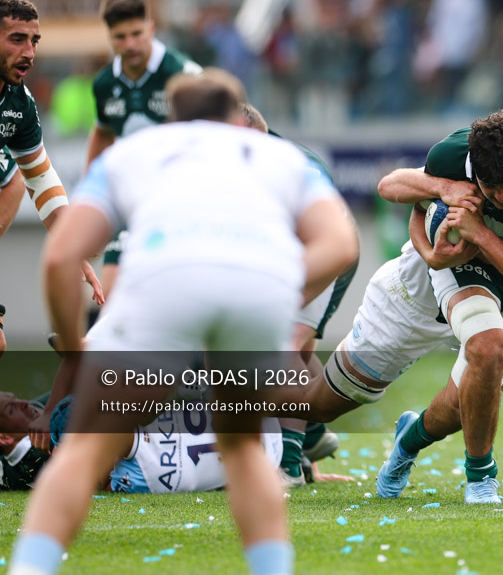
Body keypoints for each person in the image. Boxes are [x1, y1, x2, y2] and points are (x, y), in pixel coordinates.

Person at [7, 69, 359, 575]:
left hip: (161, 282)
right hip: (254, 288)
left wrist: (73, 344)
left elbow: (61, 257)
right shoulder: (281, 157)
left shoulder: (134, 153)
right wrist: (277, 287)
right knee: (242, 448)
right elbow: (343, 244)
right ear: (238, 117)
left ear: (171, 116)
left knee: (86, 451)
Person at [278, 127, 503, 502]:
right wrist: (435, 226)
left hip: (499, 296)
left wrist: (481, 236)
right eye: (489, 185)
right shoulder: (458, 158)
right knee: (324, 403)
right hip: (415, 297)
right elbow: (402, 194)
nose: (499, 196)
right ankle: (241, 411)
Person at [239, 101, 357, 486]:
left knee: (287, 347)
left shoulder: (297, 166)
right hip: (283, 256)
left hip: (326, 251)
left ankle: (288, 462)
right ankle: (311, 437)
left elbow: (328, 237)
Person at [0, 0, 103, 356]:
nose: (29, 51)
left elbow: (40, 177)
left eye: (34, 41)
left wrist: (72, 248)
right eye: (17, 39)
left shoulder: (19, 104)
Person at [86, 0, 202, 300]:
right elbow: (102, 133)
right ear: (109, 37)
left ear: (151, 28)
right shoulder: (103, 84)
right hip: (130, 201)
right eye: (120, 37)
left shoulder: (185, 75)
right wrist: (89, 194)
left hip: (181, 203)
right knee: (111, 295)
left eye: (136, 34)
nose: (130, 44)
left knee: (184, 297)